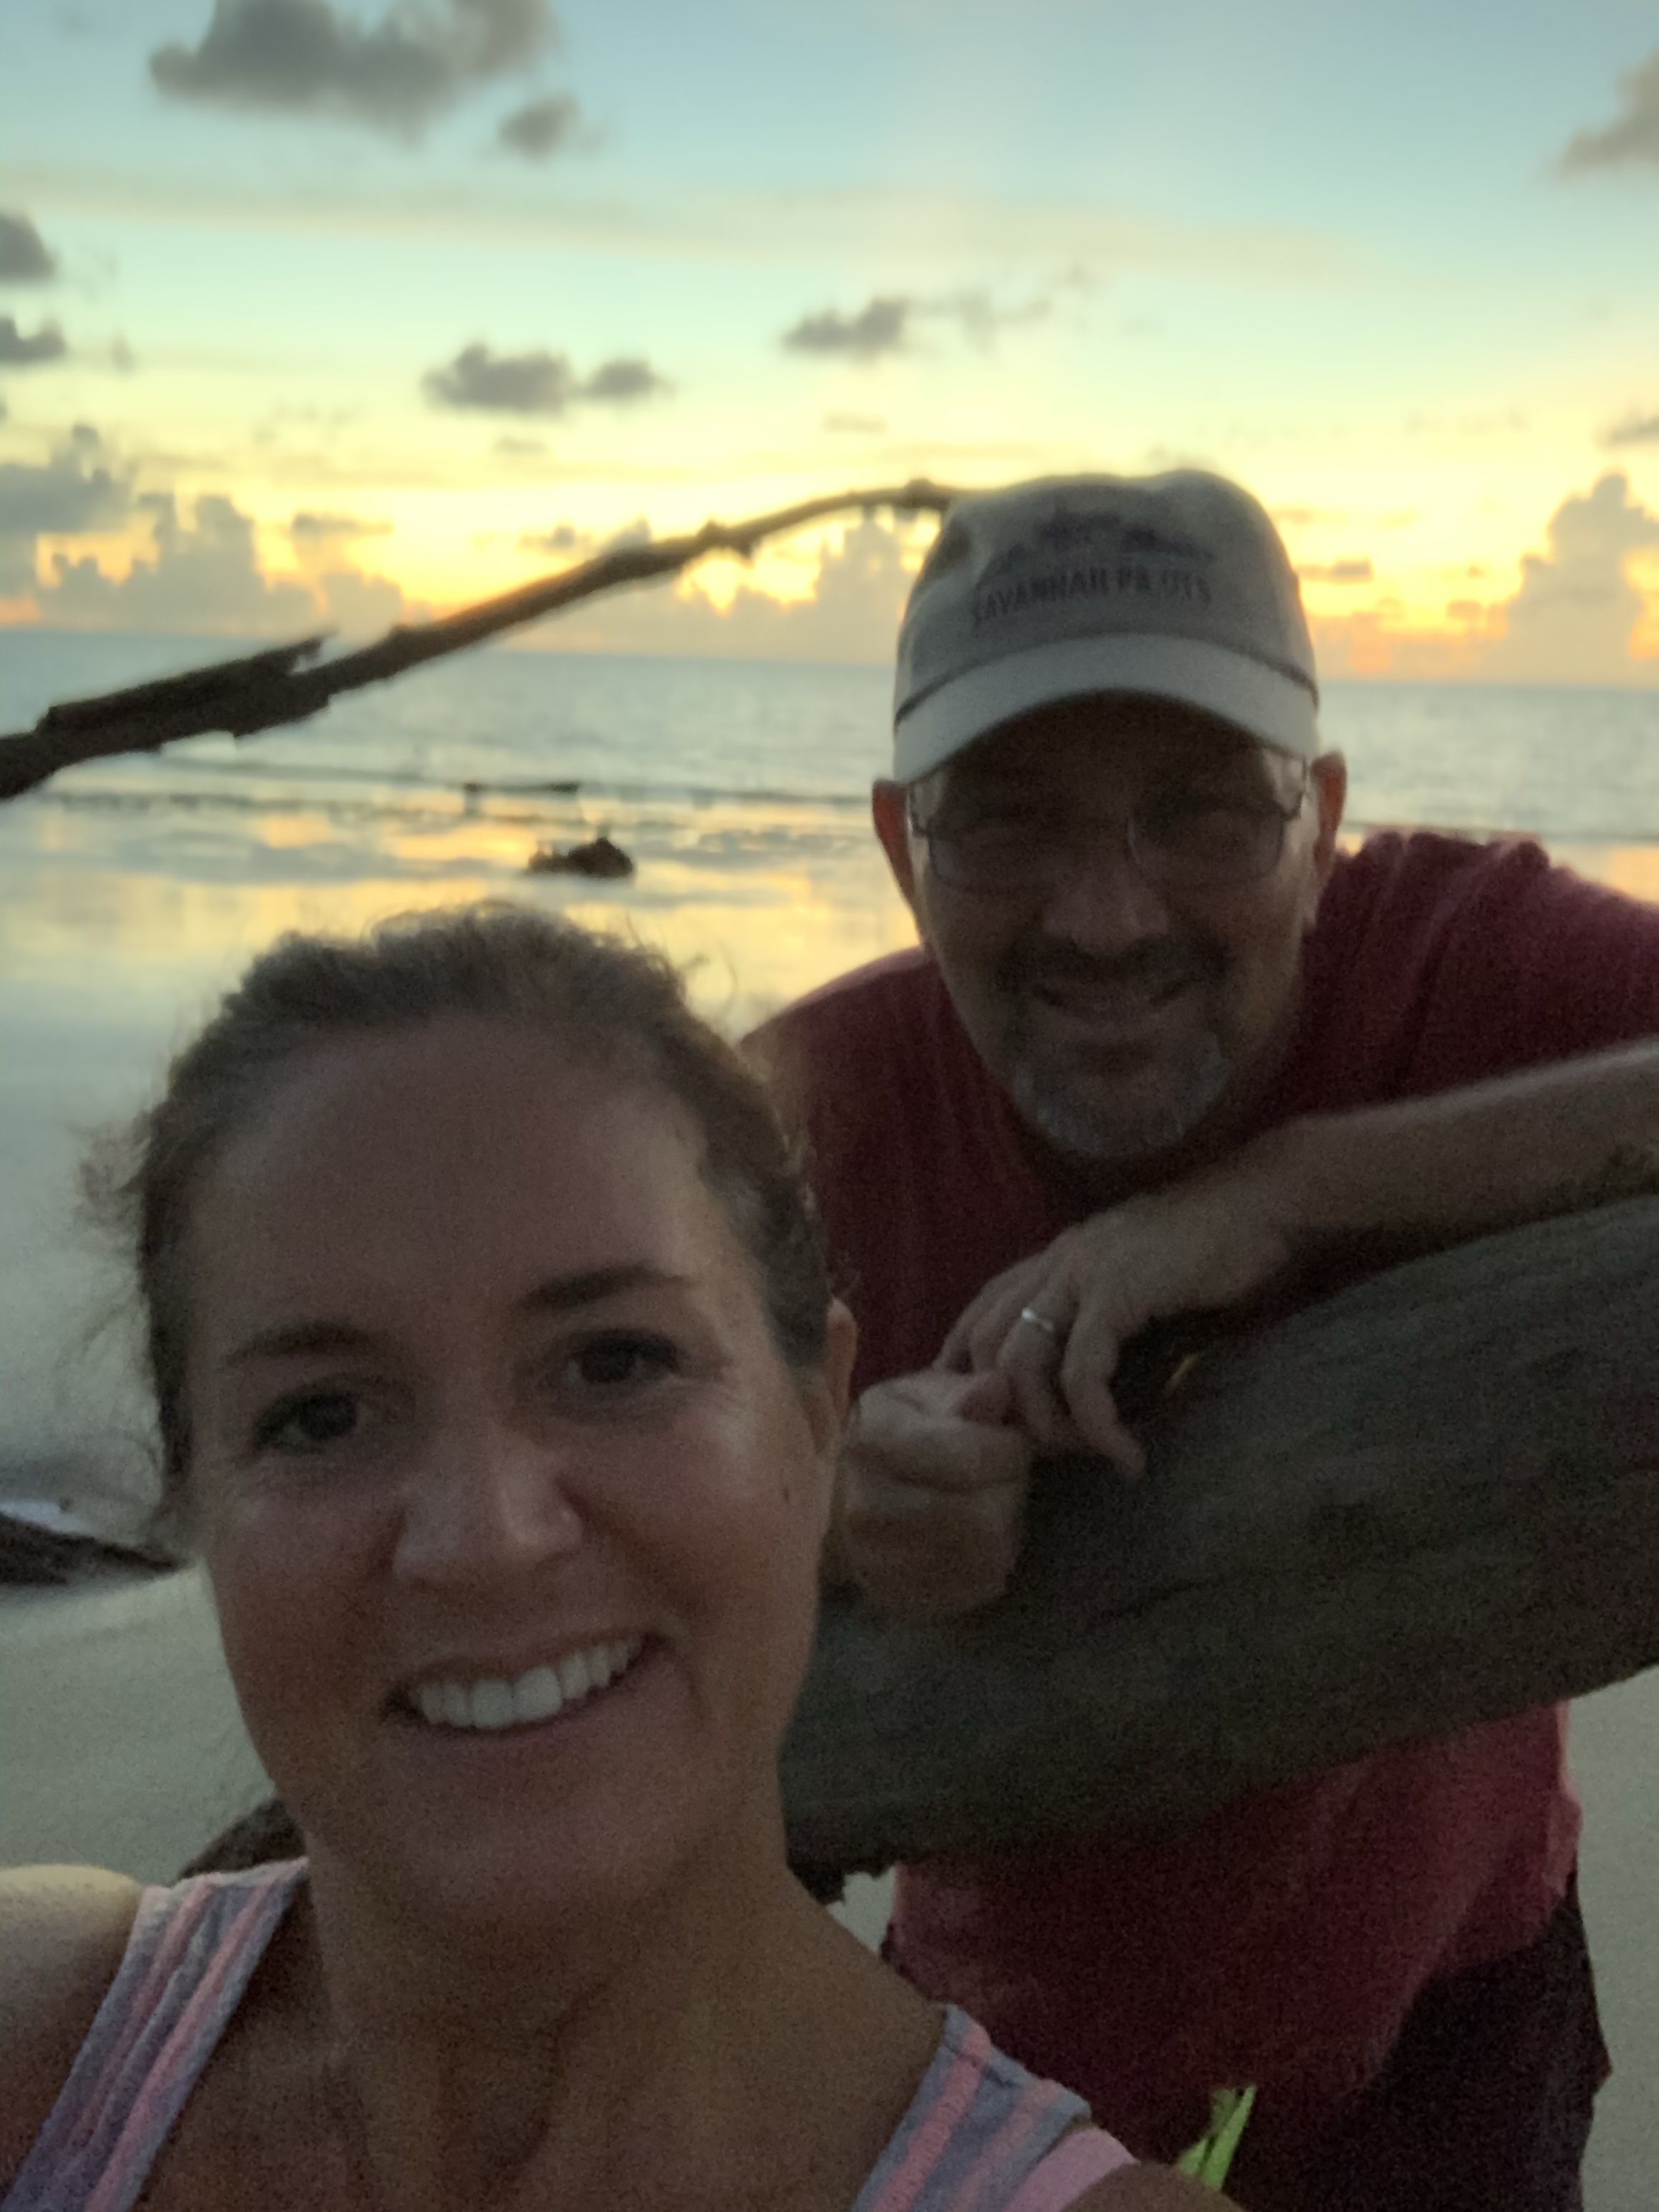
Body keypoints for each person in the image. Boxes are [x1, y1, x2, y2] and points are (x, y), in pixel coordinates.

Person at [0, 908, 1228, 2212]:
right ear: (193, 1497)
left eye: (615, 1363)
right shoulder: (40, 2050)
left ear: (819, 1415)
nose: (485, 1540)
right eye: (323, 1417)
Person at [750, 471, 1659, 2212]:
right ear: (896, 847)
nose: (1110, 916)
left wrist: (1295, 1187)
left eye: (1203, 812)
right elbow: (538, 1496)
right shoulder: (796, 1119)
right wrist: (829, 1509)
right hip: (993, 2057)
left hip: (1453, 2010)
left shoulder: (1452, 959)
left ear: (1322, 819)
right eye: (1007, 823)